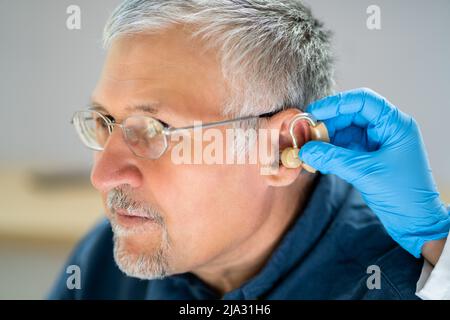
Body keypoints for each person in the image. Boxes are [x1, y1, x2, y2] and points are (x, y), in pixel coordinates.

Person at [49, 0, 449, 299]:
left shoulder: (393, 284)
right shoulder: (105, 257)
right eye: (104, 122)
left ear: (280, 147)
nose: (102, 176)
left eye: (154, 130)